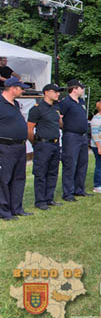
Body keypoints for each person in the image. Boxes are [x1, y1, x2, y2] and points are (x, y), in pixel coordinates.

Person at [27, 83, 64, 210]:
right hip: (43, 144)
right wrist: (36, 143)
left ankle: (49, 198)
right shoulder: (37, 109)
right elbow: (29, 129)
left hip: (55, 143)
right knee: (41, 173)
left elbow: (59, 125)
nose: (58, 94)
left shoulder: (55, 108)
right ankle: (40, 201)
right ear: (46, 92)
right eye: (55, 91)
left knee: (53, 172)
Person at [0, 77, 30, 220]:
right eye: (21, 88)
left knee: (19, 178)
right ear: (13, 89)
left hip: (20, 146)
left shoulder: (16, 104)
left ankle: (16, 208)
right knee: (4, 179)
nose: (23, 91)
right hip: (5, 147)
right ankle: (4, 211)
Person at [59, 79, 91, 201]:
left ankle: (79, 189)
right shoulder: (66, 102)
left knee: (82, 163)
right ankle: (68, 193)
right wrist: (67, 128)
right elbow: (59, 118)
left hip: (82, 136)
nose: (82, 90)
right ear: (74, 89)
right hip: (71, 136)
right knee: (70, 164)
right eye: (80, 88)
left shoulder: (81, 101)